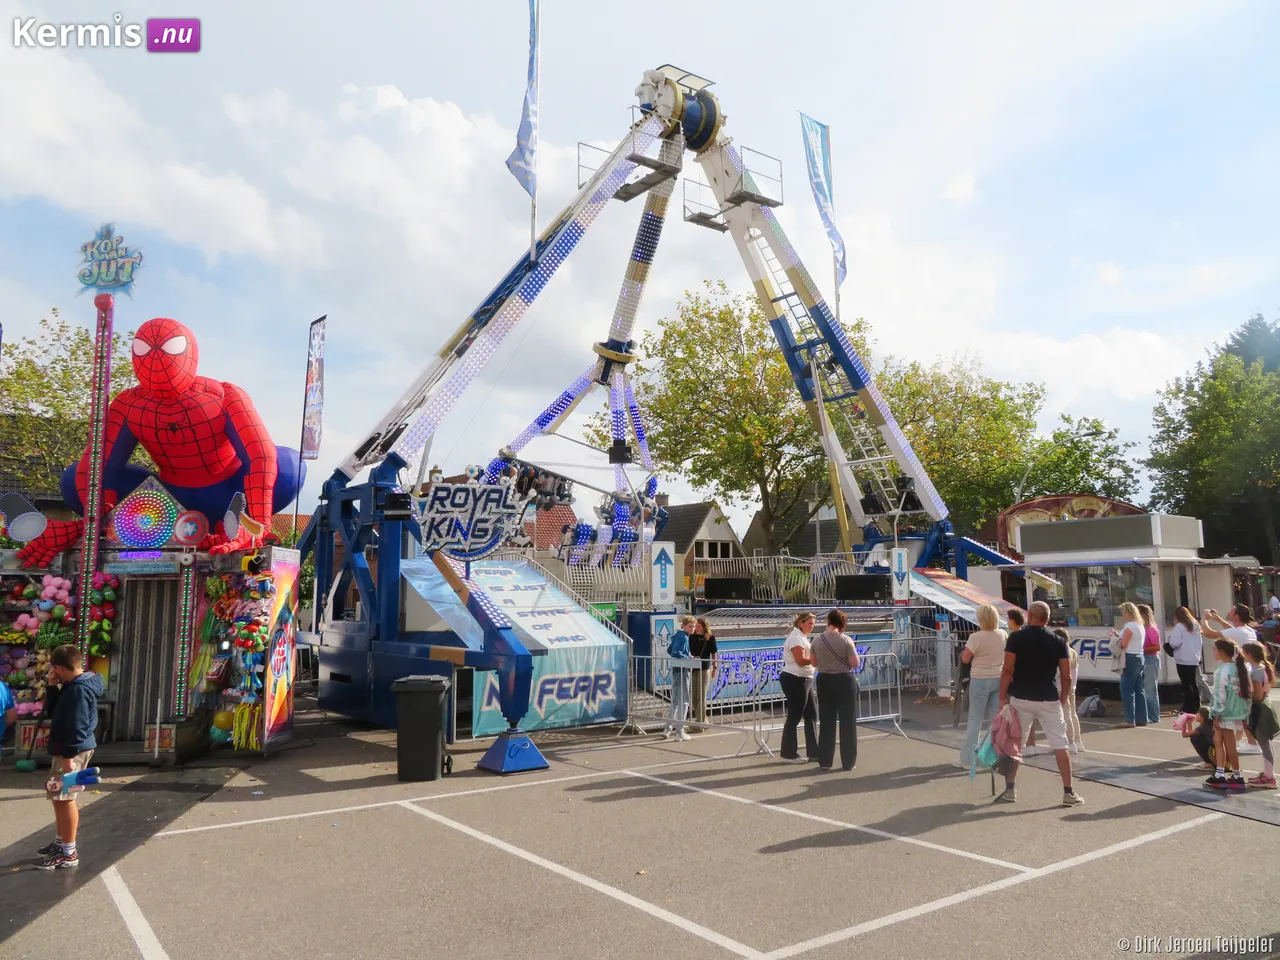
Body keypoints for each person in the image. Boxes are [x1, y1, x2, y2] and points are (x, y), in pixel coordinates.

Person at [997, 601, 1083, 806]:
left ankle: (1010, 788)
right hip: (1048, 698)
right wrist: (1062, 700)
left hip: (1022, 697)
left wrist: (1002, 697)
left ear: (1030, 617)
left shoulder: (1016, 638)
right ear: (1047, 619)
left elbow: (1007, 669)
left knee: (1016, 743)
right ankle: (1068, 792)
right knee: (1060, 744)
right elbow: (1066, 676)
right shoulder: (1058, 642)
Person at [36, 645, 105, 870]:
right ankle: (61, 842)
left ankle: (69, 851)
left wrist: (69, 755)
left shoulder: (78, 690)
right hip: (67, 748)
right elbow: (54, 711)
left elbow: (78, 724)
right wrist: (52, 687)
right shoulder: (71, 686)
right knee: (57, 794)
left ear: (58, 667)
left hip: (71, 750)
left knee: (65, 798)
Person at [1201, 605, 1260, 755]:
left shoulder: (1237, 631)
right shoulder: (1248, 630)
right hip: (1246, 670)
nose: (1229, 612)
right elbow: (1230, 630)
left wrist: (1205, 618)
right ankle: (1245, 740)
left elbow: (1208, 633)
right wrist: (1218, 619)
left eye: (1232, 611)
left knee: (1239, 708)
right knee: (1245, 707)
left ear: (1236, 615)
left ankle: (1251, 742)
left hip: (1238, 673)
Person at [957, 603, 1007, 769]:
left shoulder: (976, 637)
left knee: (975, 719)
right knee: (995, 719)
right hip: (998, 678)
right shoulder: (1002, 634)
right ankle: (991, 756)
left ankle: (968, 759)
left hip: (979, 679)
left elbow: (965, 658)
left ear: (981, 619)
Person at [813, 609, 860, 772]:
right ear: (841, 623)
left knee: (826, 721)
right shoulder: (846, 640)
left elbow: (813, 662)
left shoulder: (817, 639)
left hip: (824, 679)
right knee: (848, 721)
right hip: (844, 681)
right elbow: (855, 663)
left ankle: (825, 761)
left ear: (828, 622)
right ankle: (848, 762)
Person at [1025, 629, 1082, 756]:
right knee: (1072, 714)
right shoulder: (1073, 652)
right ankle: (1077, 741)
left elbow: (1058, 673)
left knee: (1064, 715)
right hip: (1072, 687)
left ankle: (1070, 742)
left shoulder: (1062, 653)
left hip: (1061, 688)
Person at [1204, 638, 1251, 791]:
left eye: (1214, 649)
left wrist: (1215, 714)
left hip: (1225, 713)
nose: (1213, 651)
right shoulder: (1239, 668)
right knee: (1220, 740)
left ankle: (1232, 775)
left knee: (1226, 742)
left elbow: (1219, 695)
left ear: (1221, 651)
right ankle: (1222, 772)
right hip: (1236, 712)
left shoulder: (1221, 671)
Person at [779, 612, 818, 763]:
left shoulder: (802, 637)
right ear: (801, 623)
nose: (812, 626)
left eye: (813, 624)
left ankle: (814, 752)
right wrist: (816, 659)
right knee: (795, 716)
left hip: (805, 679)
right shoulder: (796, 637)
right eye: (809, 623)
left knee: (811, 714)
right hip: (795, 679)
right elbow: (801, 660)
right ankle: (788, 753)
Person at [1241, 641, 1278, 788]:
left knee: (1264, 744)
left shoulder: (1256, 671)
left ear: (1249, 654)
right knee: (1265, 744)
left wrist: (1244, 695)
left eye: (1244, 653)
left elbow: (1256, 695)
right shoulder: (1261, 667)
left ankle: (1270, 777)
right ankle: (1268, 774)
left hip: (1260, 708)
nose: (1243, 656)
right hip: (1264, 707)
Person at [1110, 602, 1147, 728]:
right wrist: (1118, 635)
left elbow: (1123, 644)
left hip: (1130, 657)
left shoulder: (1129, 626)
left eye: (1123, 613)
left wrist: (1115, 639)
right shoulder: (1140, 625)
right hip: (1140, 656)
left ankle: (1129, 719)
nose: (1122, 615)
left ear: (1127, 613)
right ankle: (1142, 717)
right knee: (1139, 688)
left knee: (1126, 689)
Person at [1167, 606, 1204, 715]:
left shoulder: (1179, 626)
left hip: (1182, 658)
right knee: (1193, 682)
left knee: (1186, 684)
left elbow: (1174, 643)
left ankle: (1188, 706)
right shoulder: (1196, 625)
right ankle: (1196, 705)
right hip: (1194, 657)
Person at [664, 616, 696, 741]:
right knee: (684, 701)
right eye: (690, 626)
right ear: (684, 626)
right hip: (682, 670)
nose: (692, 629)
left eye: (693, 626)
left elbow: (669, 649)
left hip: (676, 671)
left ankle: (668, 729)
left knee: (676, 701)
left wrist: (686, 654)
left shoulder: (679, 636)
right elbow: (675, 653)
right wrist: (687, 657)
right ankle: (680, 731)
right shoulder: (684, 637)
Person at [688, 616, 719, 727]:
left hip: (704, 668)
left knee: (701, 695)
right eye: (696, 626)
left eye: (699, 626)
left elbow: (714, 653)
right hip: (693, 668)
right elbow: (689, 651)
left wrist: (715, 667)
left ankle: (700, 722)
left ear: (704, 627)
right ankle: (702, 719)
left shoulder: (710, 638)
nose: (697, 628)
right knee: (694, 695)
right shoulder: (692, 637)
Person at [1137, 604, 1162, 724]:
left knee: (1150, 690)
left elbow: (1157, 647)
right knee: (1145, 689)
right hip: (1144, 659)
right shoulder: (1142, 629)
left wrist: (1142, 649)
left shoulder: (1151, 629)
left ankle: (1153, 716)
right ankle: (1147, 714)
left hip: (1151, 660)